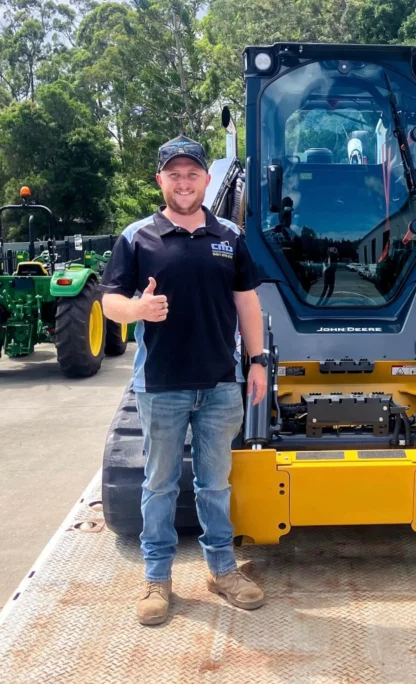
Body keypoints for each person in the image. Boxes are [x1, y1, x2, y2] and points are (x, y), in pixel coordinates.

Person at [100, 133, 268, 625]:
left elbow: (247, 303)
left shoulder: (230, 238)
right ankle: (157, 579)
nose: (183, 182)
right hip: (162, 385)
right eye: (174, 174)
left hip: (220, 383)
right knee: (159, 485)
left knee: (215, 484)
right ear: (161, 180)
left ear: (206, 178)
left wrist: (257, 361)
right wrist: (139, 309)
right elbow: (110, 301)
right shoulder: (137, 237)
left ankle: (221, 569)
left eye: (192, 173)